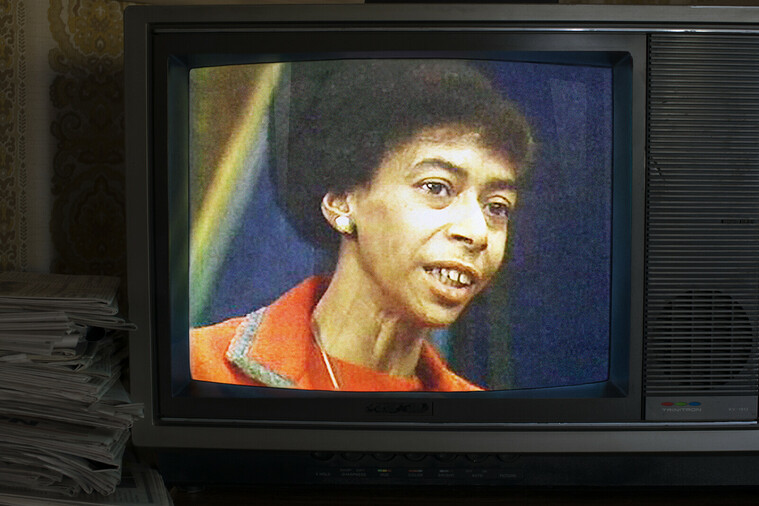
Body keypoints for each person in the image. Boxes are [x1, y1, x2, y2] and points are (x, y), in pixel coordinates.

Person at [189, 60, 535, 391]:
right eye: (436, 187)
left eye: (497, 207)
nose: (476, 233)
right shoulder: (197, 367)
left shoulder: (480, 418)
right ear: (342, 200)